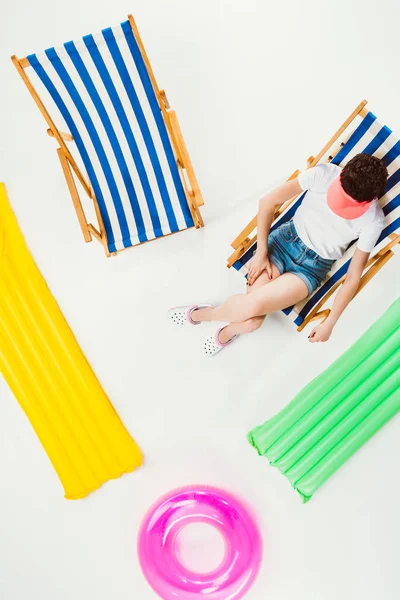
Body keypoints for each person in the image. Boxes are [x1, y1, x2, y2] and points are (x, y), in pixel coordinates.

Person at [169, 153, 388, 356]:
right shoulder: (324, 175)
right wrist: (261, 252)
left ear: (369, 201)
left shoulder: (372, 220)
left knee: (252, 312)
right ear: (341, 175)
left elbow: (353, 277)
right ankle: (218, 327)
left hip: (310, 269)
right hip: (282, 244)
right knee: (251, 321)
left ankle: (199, 316)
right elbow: (267, 201)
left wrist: (330, 322)